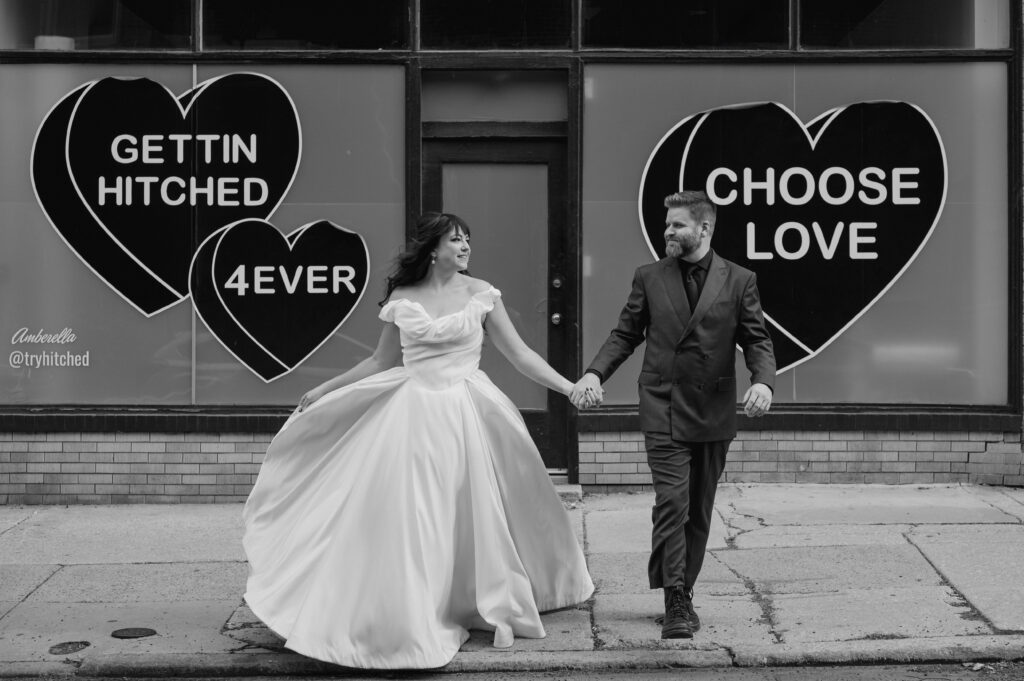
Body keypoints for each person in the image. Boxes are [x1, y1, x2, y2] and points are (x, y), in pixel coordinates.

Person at [242, 212, 594, 670]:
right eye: (456, 239)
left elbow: (521, 354)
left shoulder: (482, 294)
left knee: (471, 511)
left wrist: (568, 387)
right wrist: (327, 389)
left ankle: (471, 597)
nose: (465, 246)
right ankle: (414, 613)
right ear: (433, 250)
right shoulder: (403, 298)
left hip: (467, 413)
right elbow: (378, 361)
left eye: (468, 238)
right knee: (415, 515)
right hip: (411, 417)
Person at [570, 190, 775, 639]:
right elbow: (625, 334)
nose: (668, 232)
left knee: (699, 511)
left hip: (713, 408)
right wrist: (593, 374)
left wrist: (763, 380)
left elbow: (757, 338)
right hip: (663, 404)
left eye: (677, 225)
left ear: (704, 228)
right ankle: (675, 598)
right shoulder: (649, 276)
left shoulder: (739, 279)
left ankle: (685, 588)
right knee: (672, 504)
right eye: (667, 225)